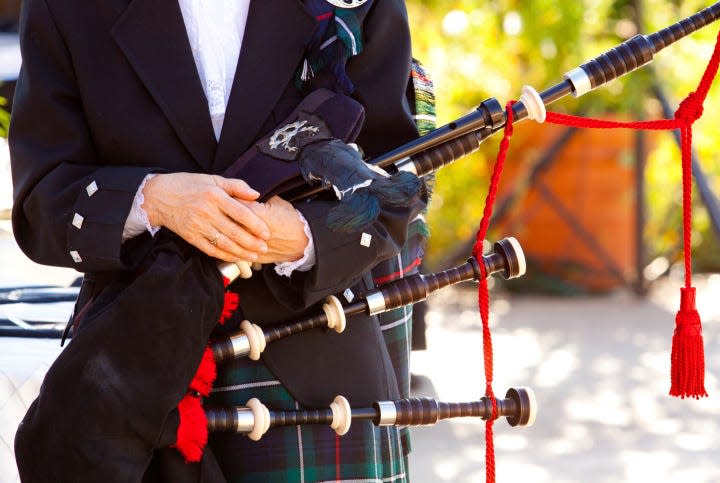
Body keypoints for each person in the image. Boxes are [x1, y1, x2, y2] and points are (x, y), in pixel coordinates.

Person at [10, 0, 424, 481]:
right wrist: (153, 200)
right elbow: (42, 205)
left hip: (320, 381)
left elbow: (400, 183)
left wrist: (302, 235)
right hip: (133, 379)